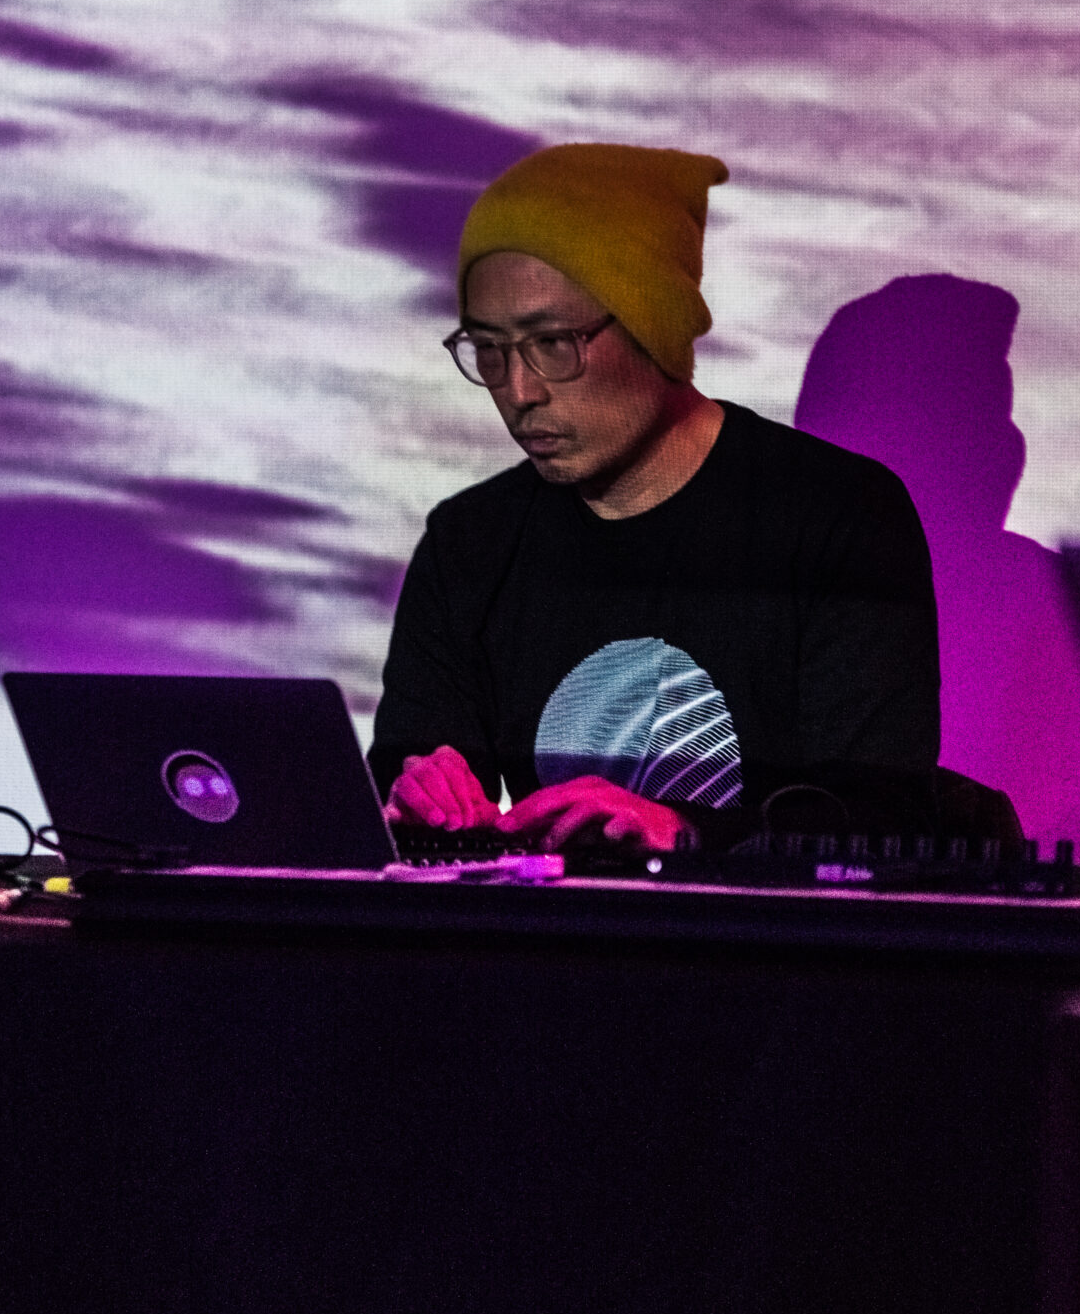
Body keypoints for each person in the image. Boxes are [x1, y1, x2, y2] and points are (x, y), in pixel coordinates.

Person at [369, 143, 941, 855]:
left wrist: (682, 828)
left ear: (655, 325)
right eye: (488, 350)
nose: (518, 391)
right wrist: (415, 790)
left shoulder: (838, 516)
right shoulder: (470, 542)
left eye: (553, 343)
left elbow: (882, 812)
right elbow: (406, 783)